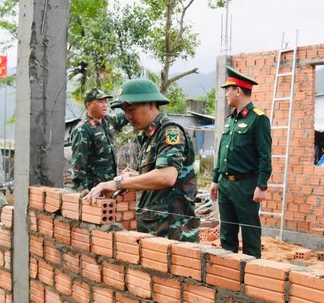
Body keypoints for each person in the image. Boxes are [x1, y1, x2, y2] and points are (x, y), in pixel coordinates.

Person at [84, 78, 199, 242]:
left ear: (151, 104)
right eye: (125, 111)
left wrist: (117, 183)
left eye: (132, 109)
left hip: (173, 231)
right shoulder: (147, 137)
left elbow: (167, 176)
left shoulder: (169, 132)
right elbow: (160, 176)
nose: (128, 116)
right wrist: (135, 176)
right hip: (155, 227)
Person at [208, 67, 272, 258]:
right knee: (227, 235)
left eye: (228, 89)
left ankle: (252, 280)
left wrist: (262, 185)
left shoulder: (258, 119)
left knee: (250, 236)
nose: (226, 93)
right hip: (226, 185)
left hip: (246, 185)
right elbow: (222, 152)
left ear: (238, 90)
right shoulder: (231, 120)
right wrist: (215, 179)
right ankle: (230, 278)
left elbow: (264, 155)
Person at [70, 88, 130, 191]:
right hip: (93, 187)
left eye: (105, 102)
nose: (105, 105)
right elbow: (78, 163)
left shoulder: (108, 121)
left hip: (109, 184)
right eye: (100, 102)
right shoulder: (83, 129)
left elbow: (126, 117)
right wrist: (82, 190)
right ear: (88, 105)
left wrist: (131, 105)